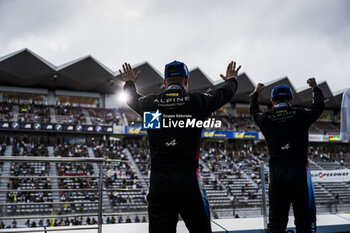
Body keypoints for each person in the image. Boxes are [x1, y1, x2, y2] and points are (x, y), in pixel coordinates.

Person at [120, 60, 240, 233]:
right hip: (189, 182)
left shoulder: (150, 104)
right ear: (186, 81)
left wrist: (129, 81)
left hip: (159, 183)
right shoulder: (197, 101)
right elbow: (224, 93)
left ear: (164, 82)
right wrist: (232, 79)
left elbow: (131, 97)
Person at [250, 78, 324, 233]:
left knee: (276, 225)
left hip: (277, 179)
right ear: (291, 99)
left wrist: (256, 93)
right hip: (299, 177)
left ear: (272, 100)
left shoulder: (266, 119)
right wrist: (315, 87)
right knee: (304, 224)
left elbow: (254, 112)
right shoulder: (301, 114)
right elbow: (319, 106)